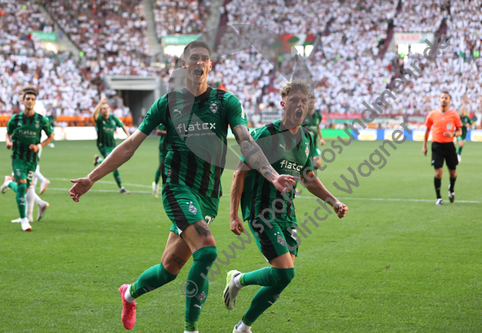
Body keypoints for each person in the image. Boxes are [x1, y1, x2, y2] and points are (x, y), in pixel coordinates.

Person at [69, 40, 296, 333]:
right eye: (193, 58)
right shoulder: (167, 103)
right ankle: (191, 329)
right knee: (208, 251)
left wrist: (271, 175)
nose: (199, 62)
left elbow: (246, 141)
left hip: (208, 196)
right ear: (183, 65)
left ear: (210, 65)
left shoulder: (226, 102)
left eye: (205, 58)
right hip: (178, 189)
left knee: (169, 269)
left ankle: (129, 294)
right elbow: (129, 145)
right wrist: (92, 177)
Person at [224, 80, 349, 333]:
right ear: (283, 103)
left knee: (280, 280)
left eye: (304, 101)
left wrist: (333, 201)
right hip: (261, 211)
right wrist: (234, 215)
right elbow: (239, 173)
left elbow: (309, 178)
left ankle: (243, 327)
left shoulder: (307, 137)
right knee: (284, 274)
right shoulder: (264, 135)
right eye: (294, 100)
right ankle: (238, 279)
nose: (300, 105)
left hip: (287, 213)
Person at [1, 86, 54, 231]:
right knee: (23, 186)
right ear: (22, 101)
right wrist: (8, 142)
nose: (30, 101)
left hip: (32, 159)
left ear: (35, 101)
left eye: (32, 99)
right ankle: (25, 220)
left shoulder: (41, 119)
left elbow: (51, 136)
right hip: (18, 157)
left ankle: (8, 183)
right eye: (27, 99)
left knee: (23, 189)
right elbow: (8, 133)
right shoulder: (15, 119)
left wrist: (39, 146)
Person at [422, 91, 462, 205]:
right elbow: (427, 130)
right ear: (439, 100)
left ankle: (451, 189)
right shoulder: (432, 114)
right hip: (437, 145)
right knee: (438, 173)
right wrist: (424, 146)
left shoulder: (454, 114)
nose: (443, 99)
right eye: (442, 97)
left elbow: (460, 131)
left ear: (449, 101)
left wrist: (453, 135)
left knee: (453, 173)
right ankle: (438, 197)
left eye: (446, 98)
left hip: (449, 146)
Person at [92, 96, 131, 193]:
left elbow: (123, 126)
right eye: (104, 109)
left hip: (112, 145)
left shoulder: (113, 118)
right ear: (101, 110)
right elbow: (94, 115)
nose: (106, 110)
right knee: (114, 165)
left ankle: (99, 160)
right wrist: (101, 103)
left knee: (114, 165)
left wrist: (129, 137)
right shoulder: (100, 119)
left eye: (107, 108)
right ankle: (121, 188)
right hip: (103, 146)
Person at [302, 94, 325, 169]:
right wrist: (307, 134)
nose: (312, 104)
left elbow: (318, 126)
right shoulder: (302, 116)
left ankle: (307, 173)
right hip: (303, 146)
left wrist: (321, 138)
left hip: (313, 145)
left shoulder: (318, 116)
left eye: (314, 102)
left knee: (317, 164)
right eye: (310, 102)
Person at [152, 123, 167, 198]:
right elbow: (158, 132)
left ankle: (169, 188)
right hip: (164, 147)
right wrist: (169, 132)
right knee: (161, 166)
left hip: (174, 146)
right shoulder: (166, 118)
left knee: (171, 167)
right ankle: (155, 184)